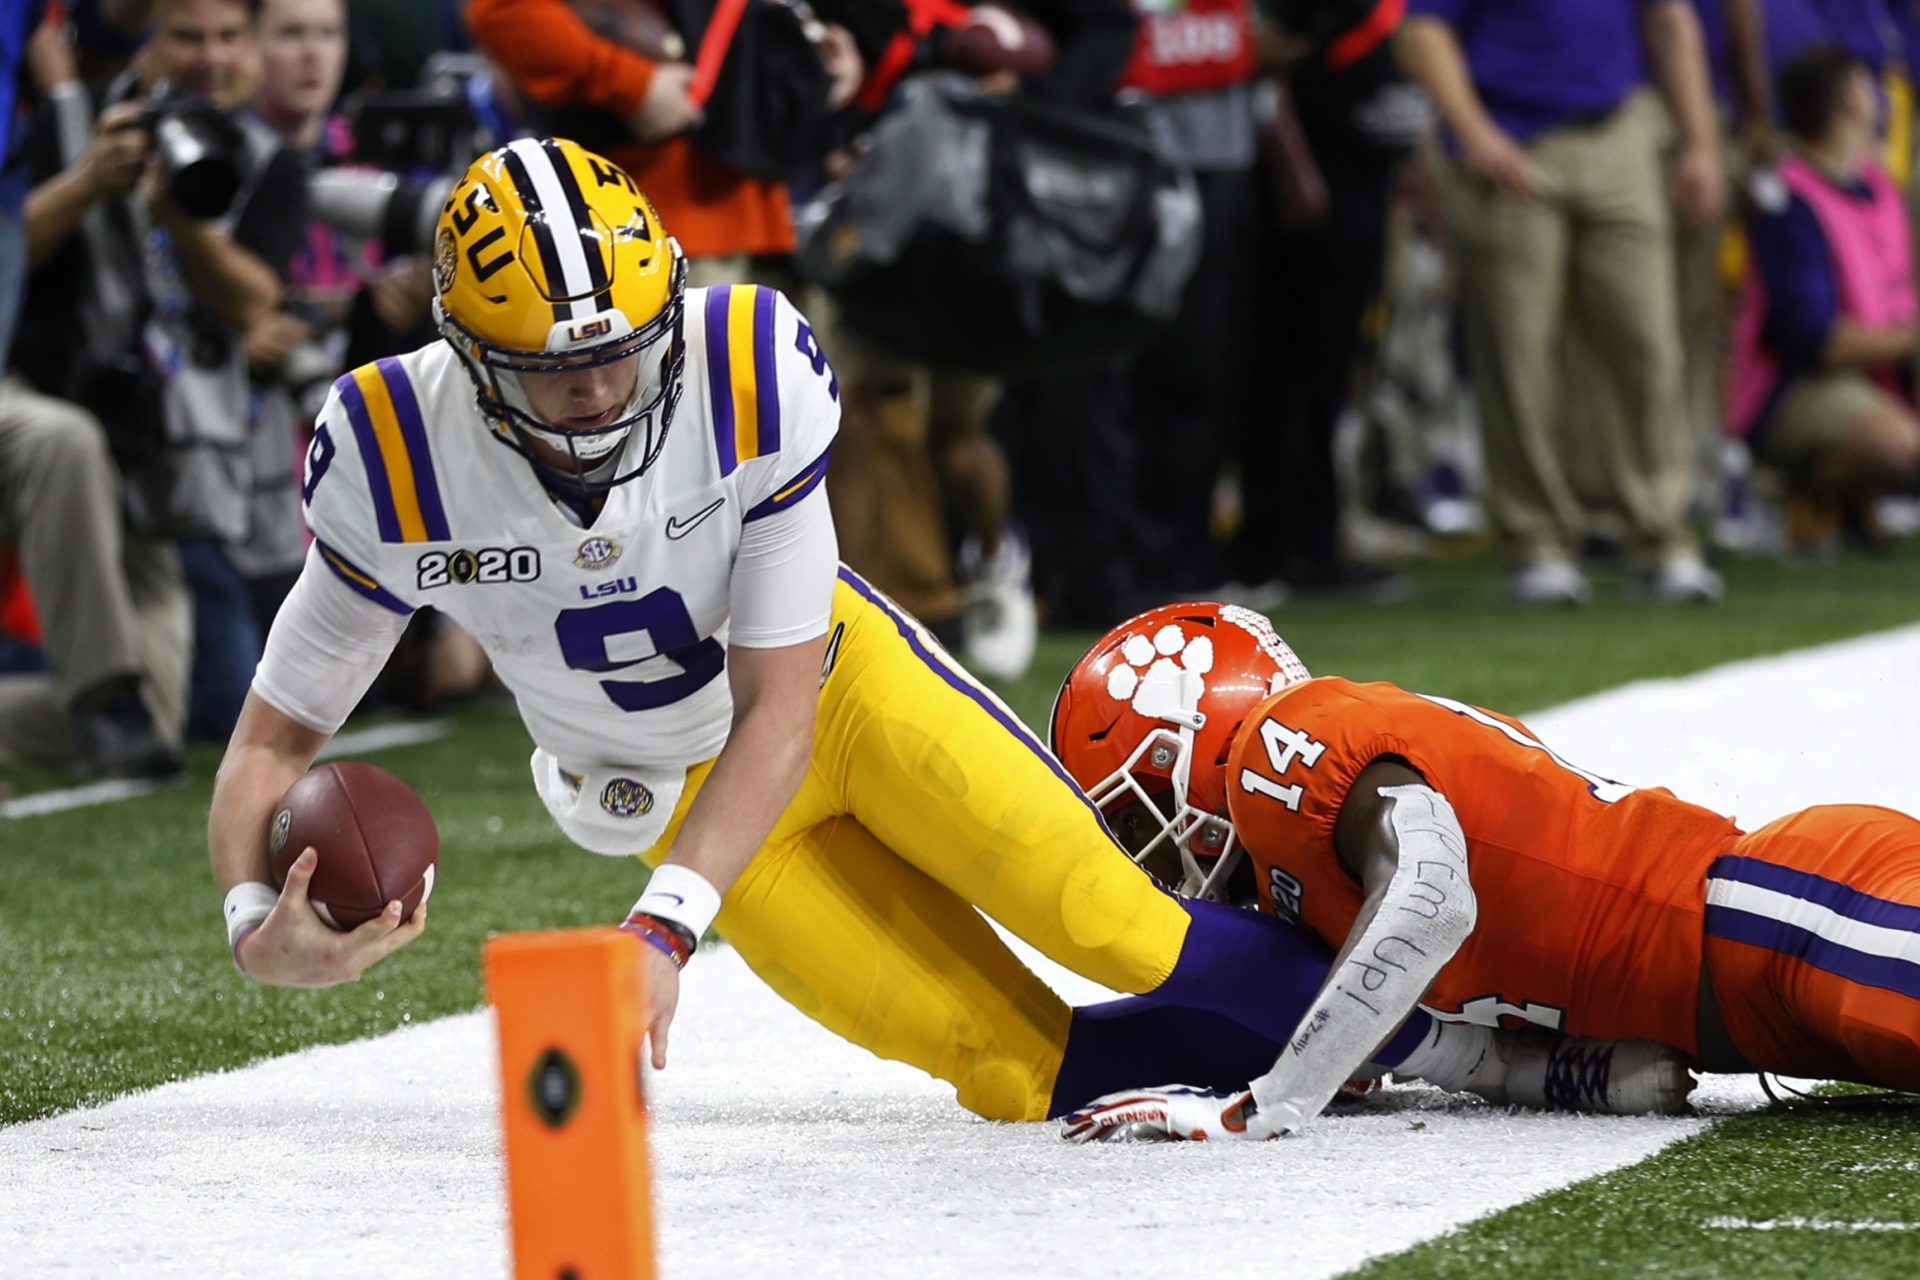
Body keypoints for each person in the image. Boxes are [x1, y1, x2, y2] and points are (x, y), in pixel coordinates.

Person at [208, 137, 1675, 1124]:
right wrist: (244, 924)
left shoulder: (741, 365)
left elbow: (779, 708)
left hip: (837, 701)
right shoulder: (397, 453)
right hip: (673, 791)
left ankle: (1484, 1048)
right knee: (1004, 1068)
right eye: (554, 370)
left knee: (1117, 926)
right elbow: (276, 737)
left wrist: (665, 928)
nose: (599, 392)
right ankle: (1332, 1047)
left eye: (618, 353)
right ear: (467, 357)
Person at [1049, 600, 1920, 1141]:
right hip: (1760, 991)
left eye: (1132, 818)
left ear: (1190, 749)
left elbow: (1430, 901)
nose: (1143, 859)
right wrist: (1565, 1075)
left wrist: (1270, 1105)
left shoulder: (1278, 753)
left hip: (1774, 916)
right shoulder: (1308, 897)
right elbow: (1474, 1046)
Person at [1395, 1, 1726, 604]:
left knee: (1646, 341)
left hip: (1617, 126)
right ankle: (1538, 541)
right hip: (1511, 134)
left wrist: (1700, 142)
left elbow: (1670, 20)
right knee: (1517, 350)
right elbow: (1423, 30)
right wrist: (1472, 134)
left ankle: (1661, 535)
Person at [1726, 46, 1920, 537]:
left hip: (1882, 370)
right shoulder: (1788, 201)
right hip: (1799, 385)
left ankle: (1854, 500)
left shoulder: (1879, 187)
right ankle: (1796, 486)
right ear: (1852, 101)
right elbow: (1812, 339)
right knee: (1907, 451)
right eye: (1868, 83)